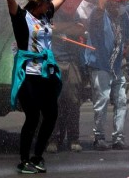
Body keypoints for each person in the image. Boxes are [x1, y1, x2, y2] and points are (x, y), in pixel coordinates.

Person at [0, 0, 80, 174]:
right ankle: (24, 160)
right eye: (46, 0)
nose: (50, 4)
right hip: (29, 75)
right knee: (32, 117)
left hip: (46, 74)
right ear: (37, 1)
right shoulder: (21, 17)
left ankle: (38, 156)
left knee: (51, 115)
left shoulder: (47, 15)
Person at [85, 0, 129, 151]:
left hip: (116, 66)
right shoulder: (98, 16)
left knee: (121, 101)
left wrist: (123, 56)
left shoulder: (124, 18)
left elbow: (126, 40)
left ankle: (118, 138)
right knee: (103, 99)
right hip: (100, 64)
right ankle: (98, 137)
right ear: (110, 3)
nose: (123, 5)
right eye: (120, 2)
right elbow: (100, 5)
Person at [46, 13, 89, 154]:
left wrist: (59, 28)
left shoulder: (73, 12)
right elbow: (45, 28)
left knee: (73, 102)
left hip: (71, 63)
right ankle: (52, 139)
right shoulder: (48, 12)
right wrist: (69, 26)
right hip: (53, 62)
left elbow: (80, 30)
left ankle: (73, 139)